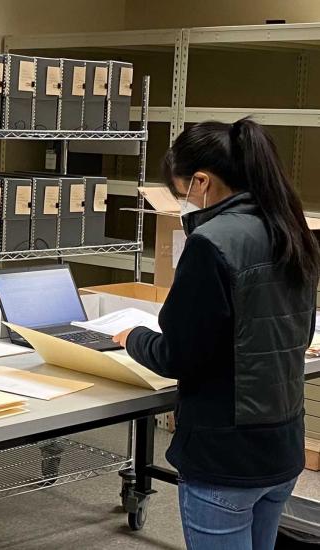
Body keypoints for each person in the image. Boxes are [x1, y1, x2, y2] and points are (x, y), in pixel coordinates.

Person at [113, 118, 319, 550]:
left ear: (201, 182)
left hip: (227, 453)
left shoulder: (213, 242)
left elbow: (178, 356)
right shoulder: (290, 229)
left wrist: (133, 337)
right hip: (282, 444)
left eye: (180, 191)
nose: (181, 204)